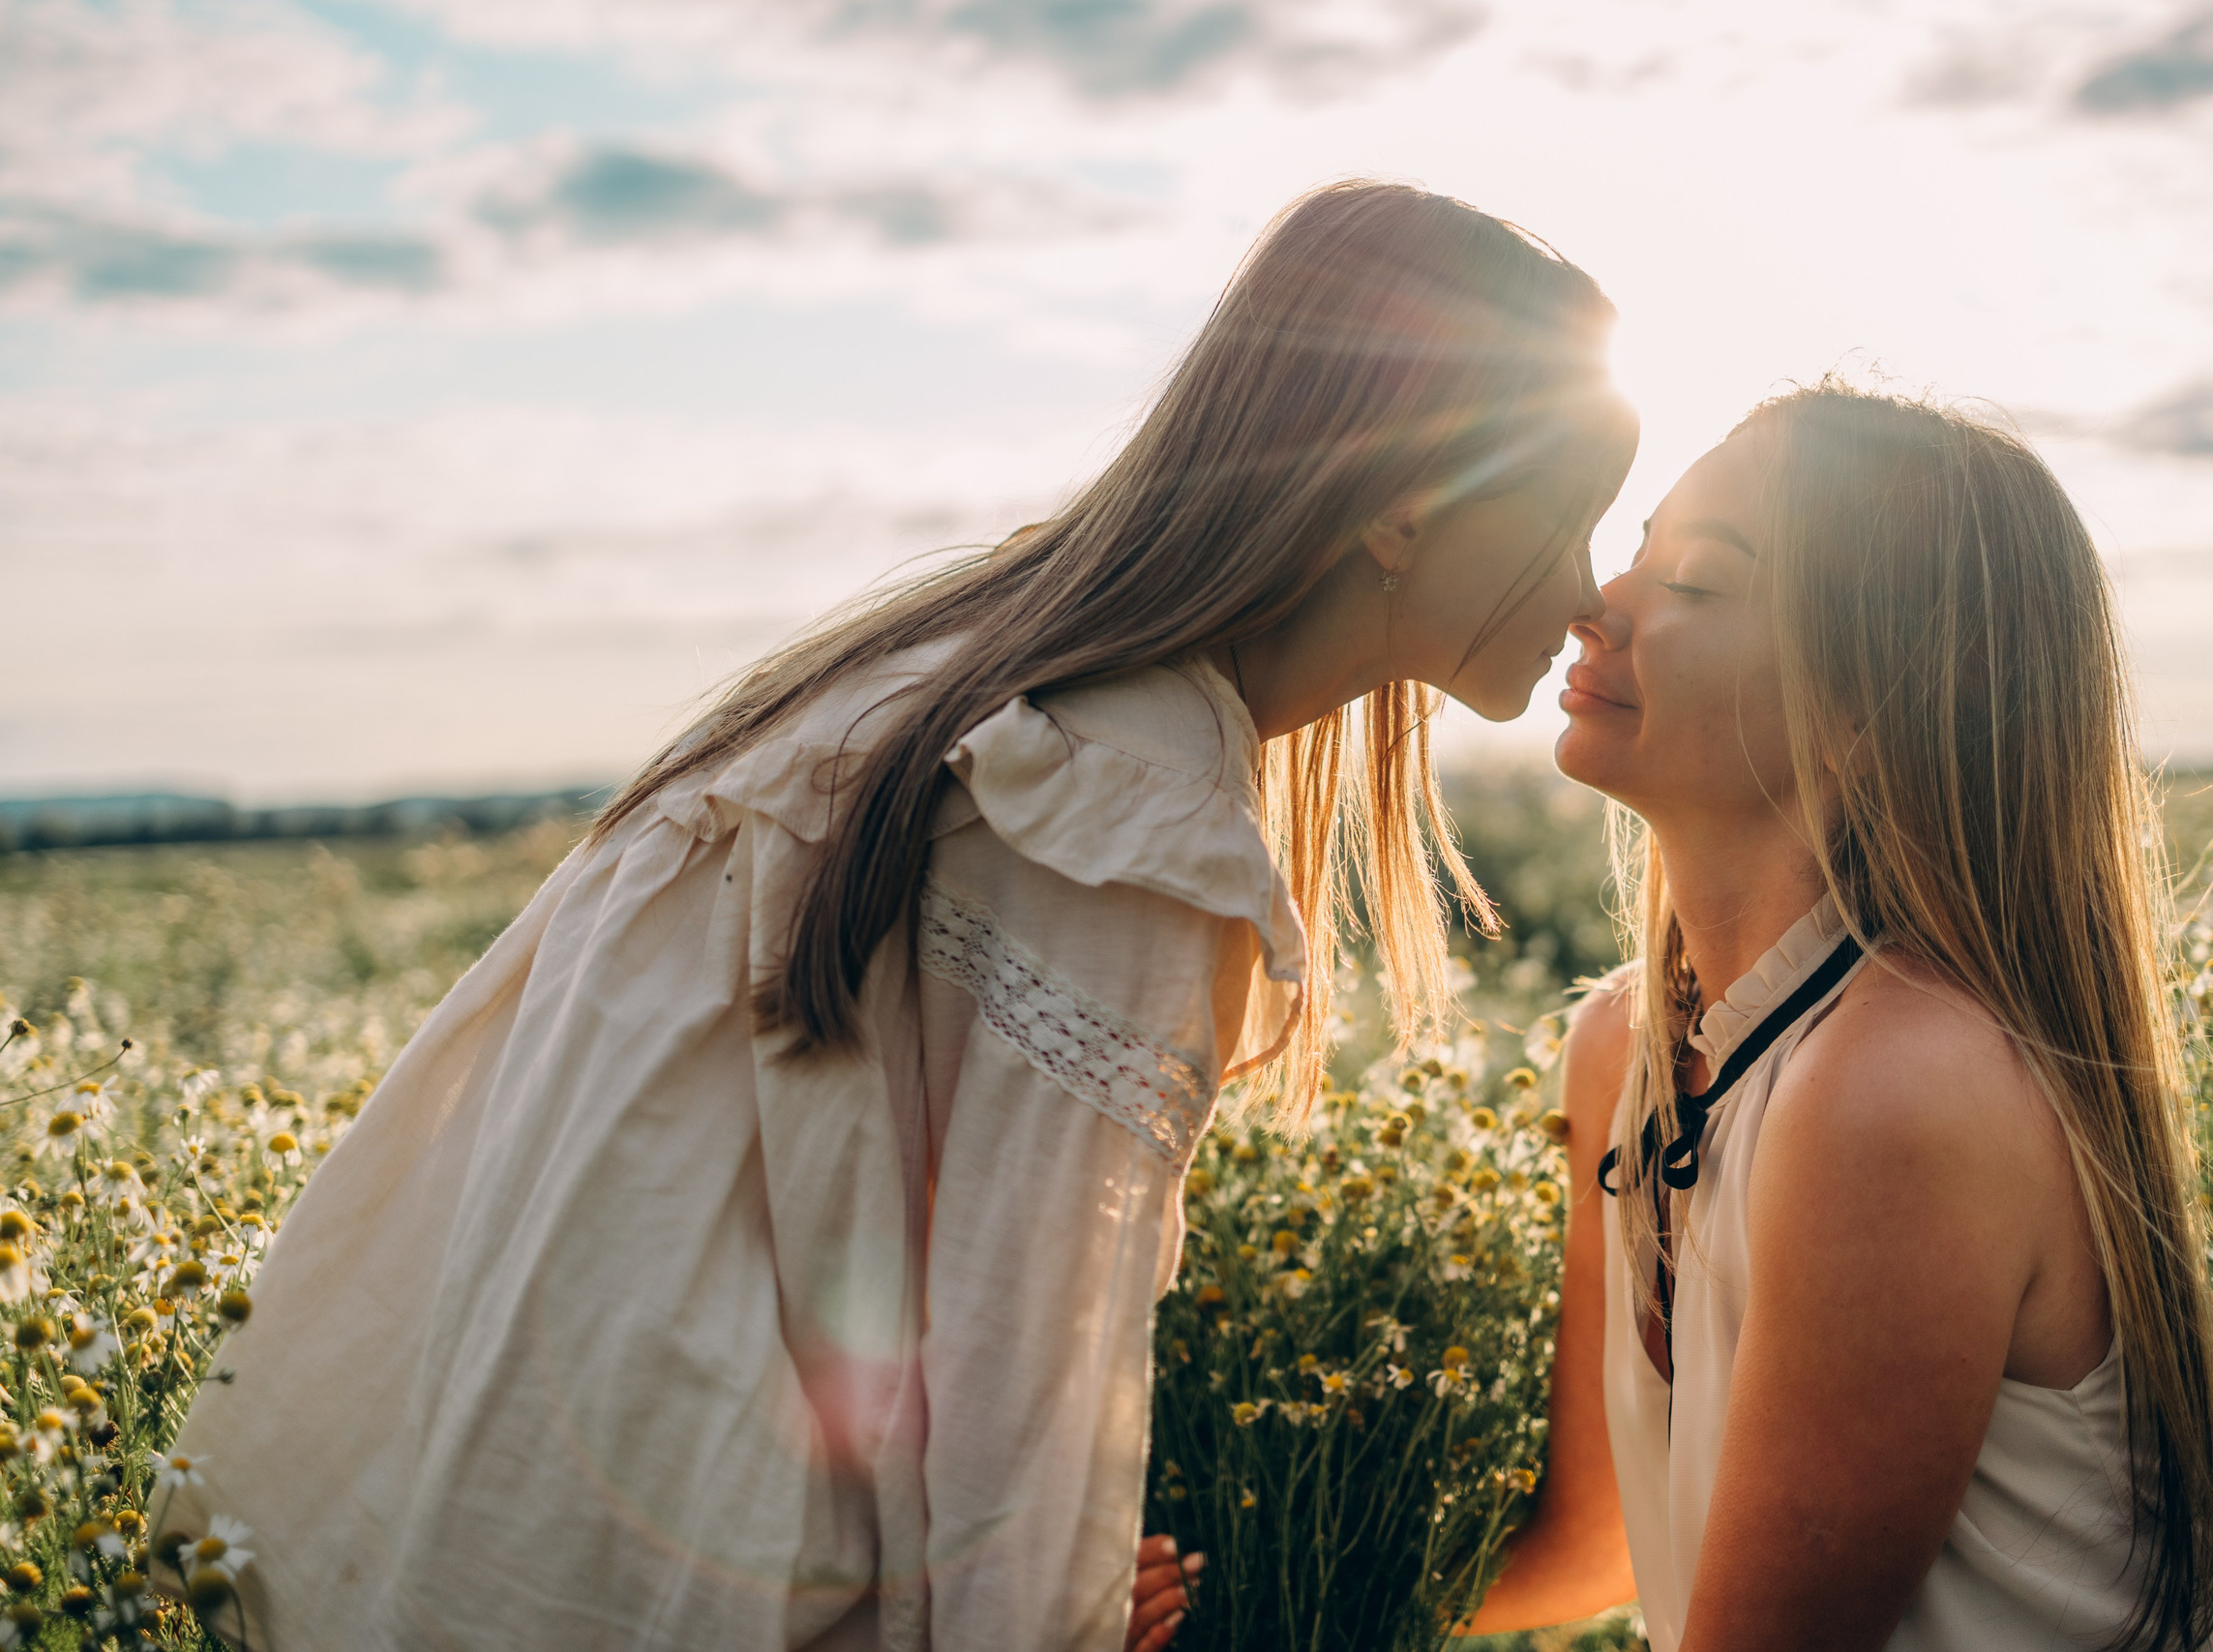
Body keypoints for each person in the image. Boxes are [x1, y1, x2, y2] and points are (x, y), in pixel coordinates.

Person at [147, 180, 1635, 1651]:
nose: (1585, 590)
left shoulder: (987, 687)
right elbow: (1024, 1364)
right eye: (1569, 520)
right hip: (712, 1566)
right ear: (1408, 509)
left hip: (538, 1506)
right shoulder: (1128, 809)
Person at [1463, 381, 2213, 1651]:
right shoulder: (1623, 1048)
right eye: (1639, 552)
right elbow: (1602, 1543)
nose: (1601, 603)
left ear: (1871, 706)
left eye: (1698, 581)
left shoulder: (1895, 1085)